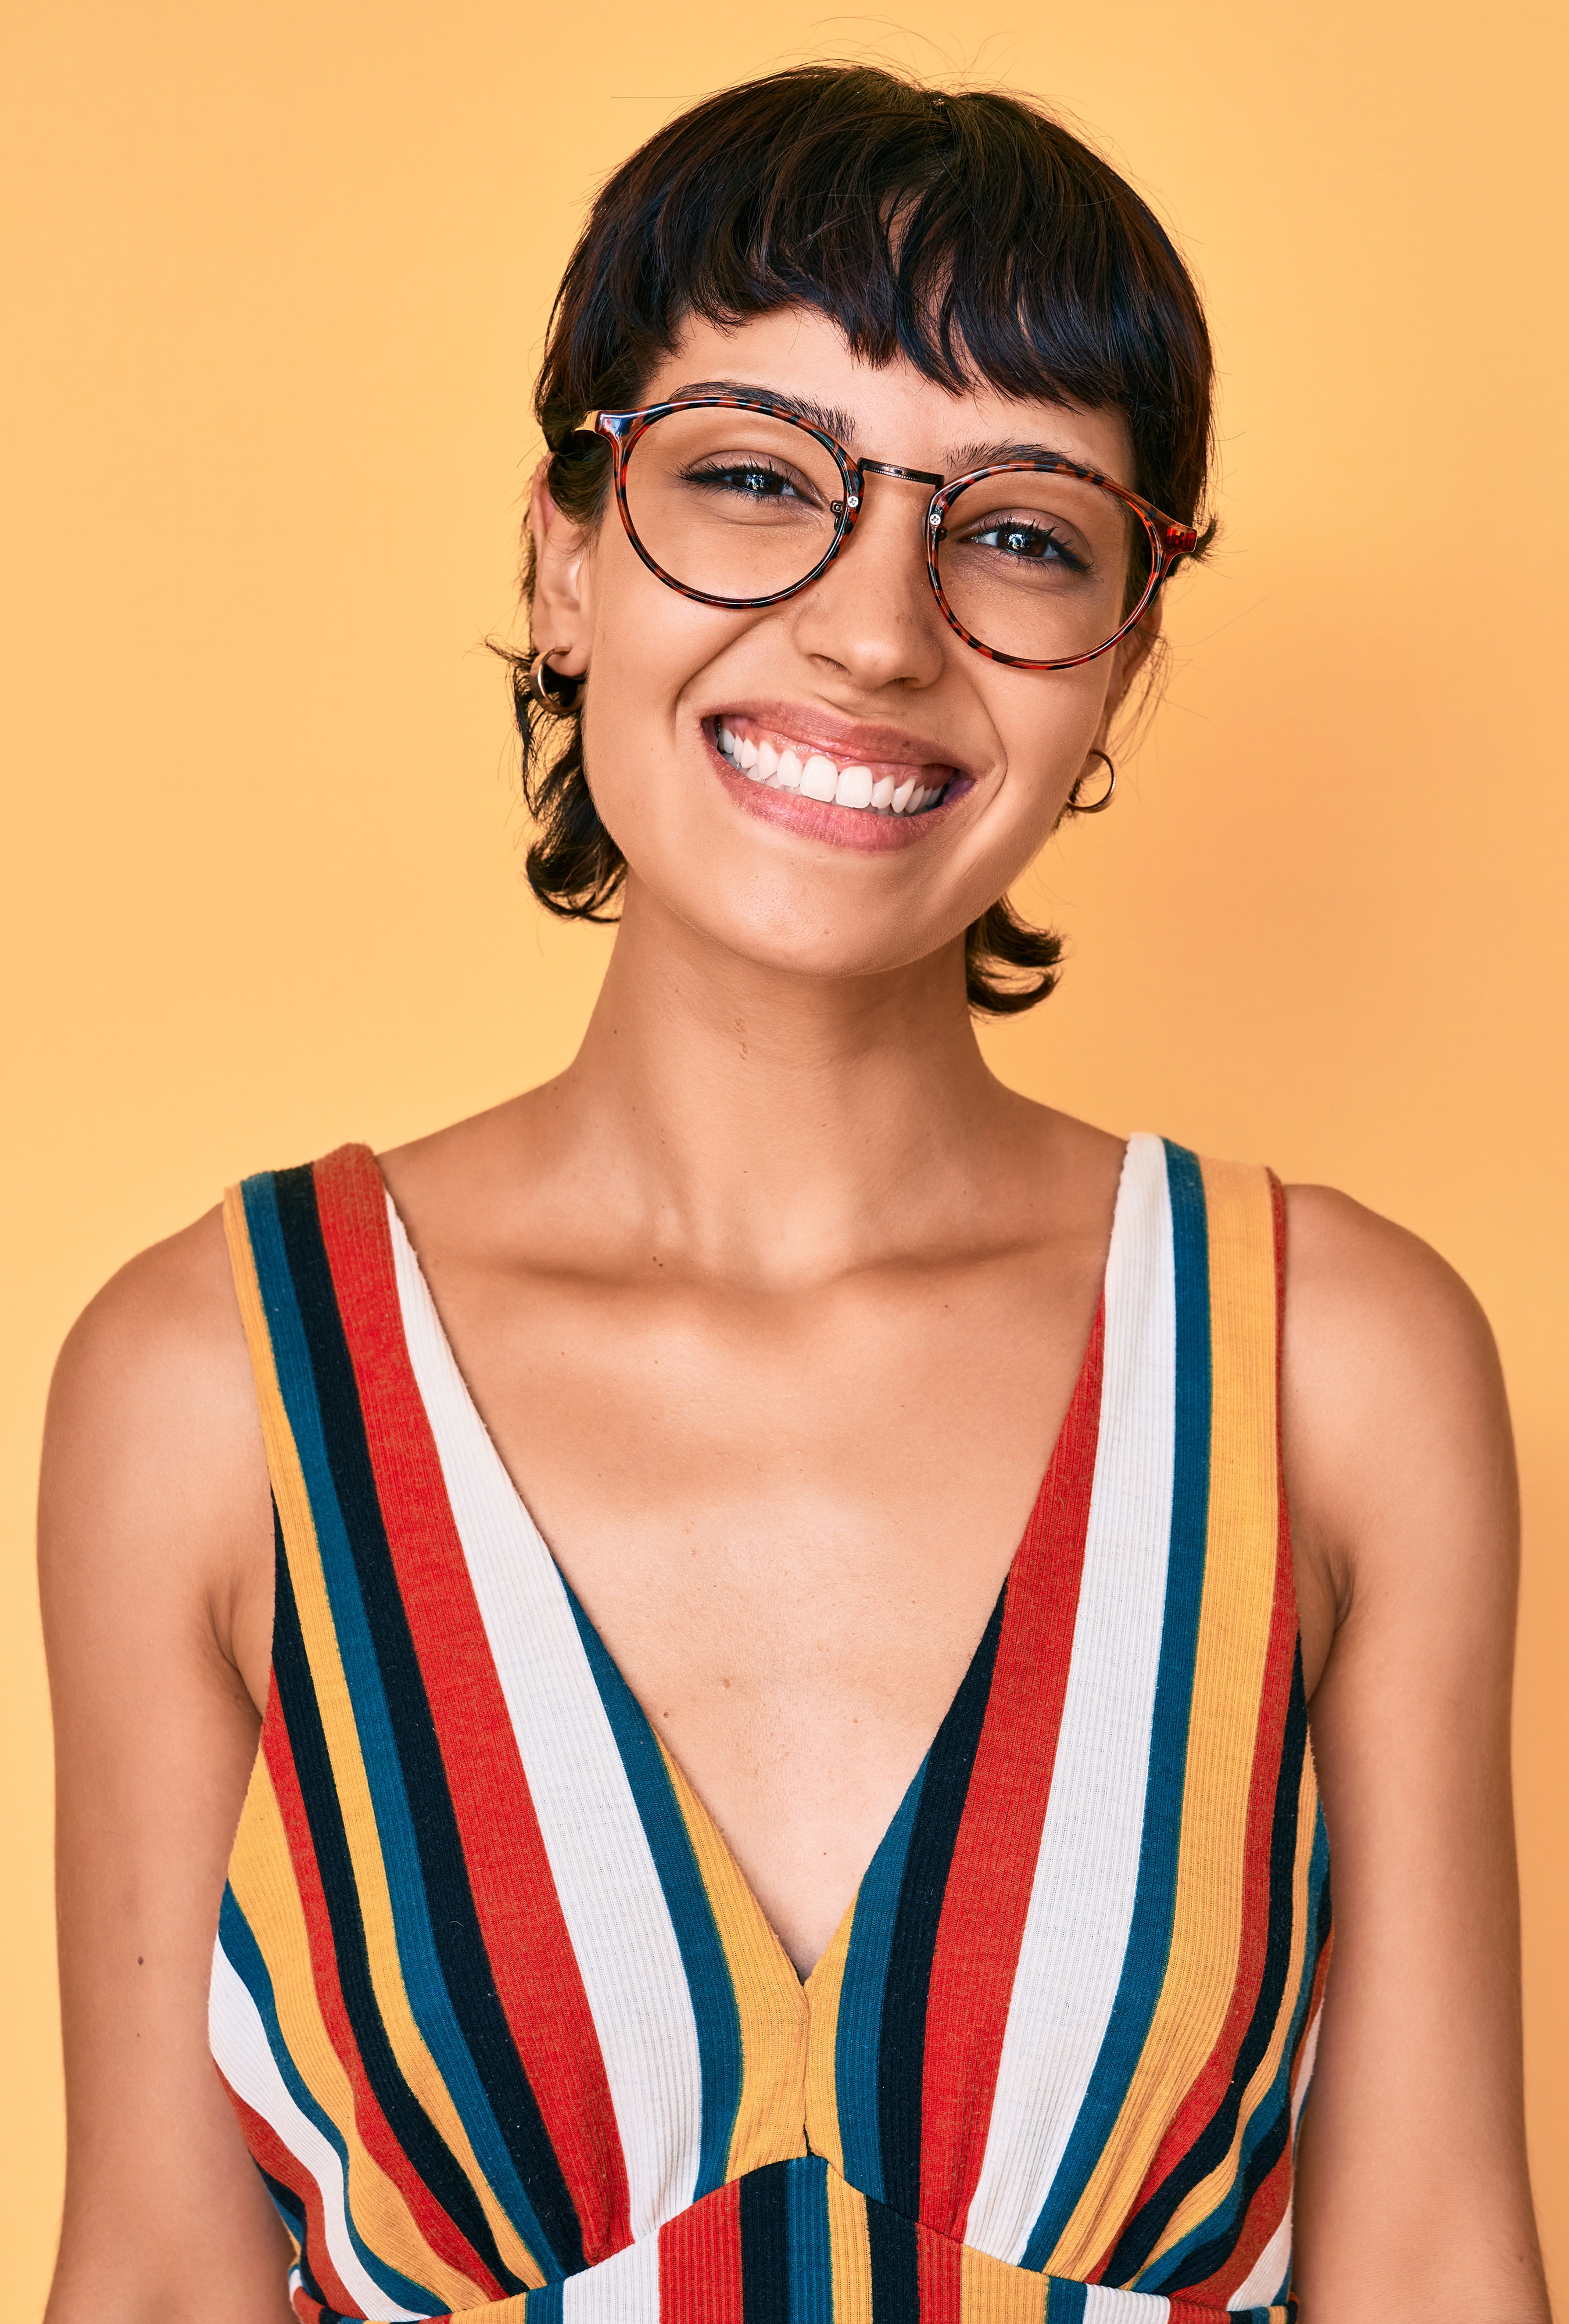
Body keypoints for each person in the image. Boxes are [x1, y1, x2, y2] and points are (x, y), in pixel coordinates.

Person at [38, 64, 1549, 2324]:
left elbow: (1439, 2270)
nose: (875, 629)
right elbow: (153, 2278)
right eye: (754, 481)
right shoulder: (214, 1385)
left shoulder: (1337, 1367)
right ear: (560, 555)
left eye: (1022, 528)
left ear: (1122, 658)